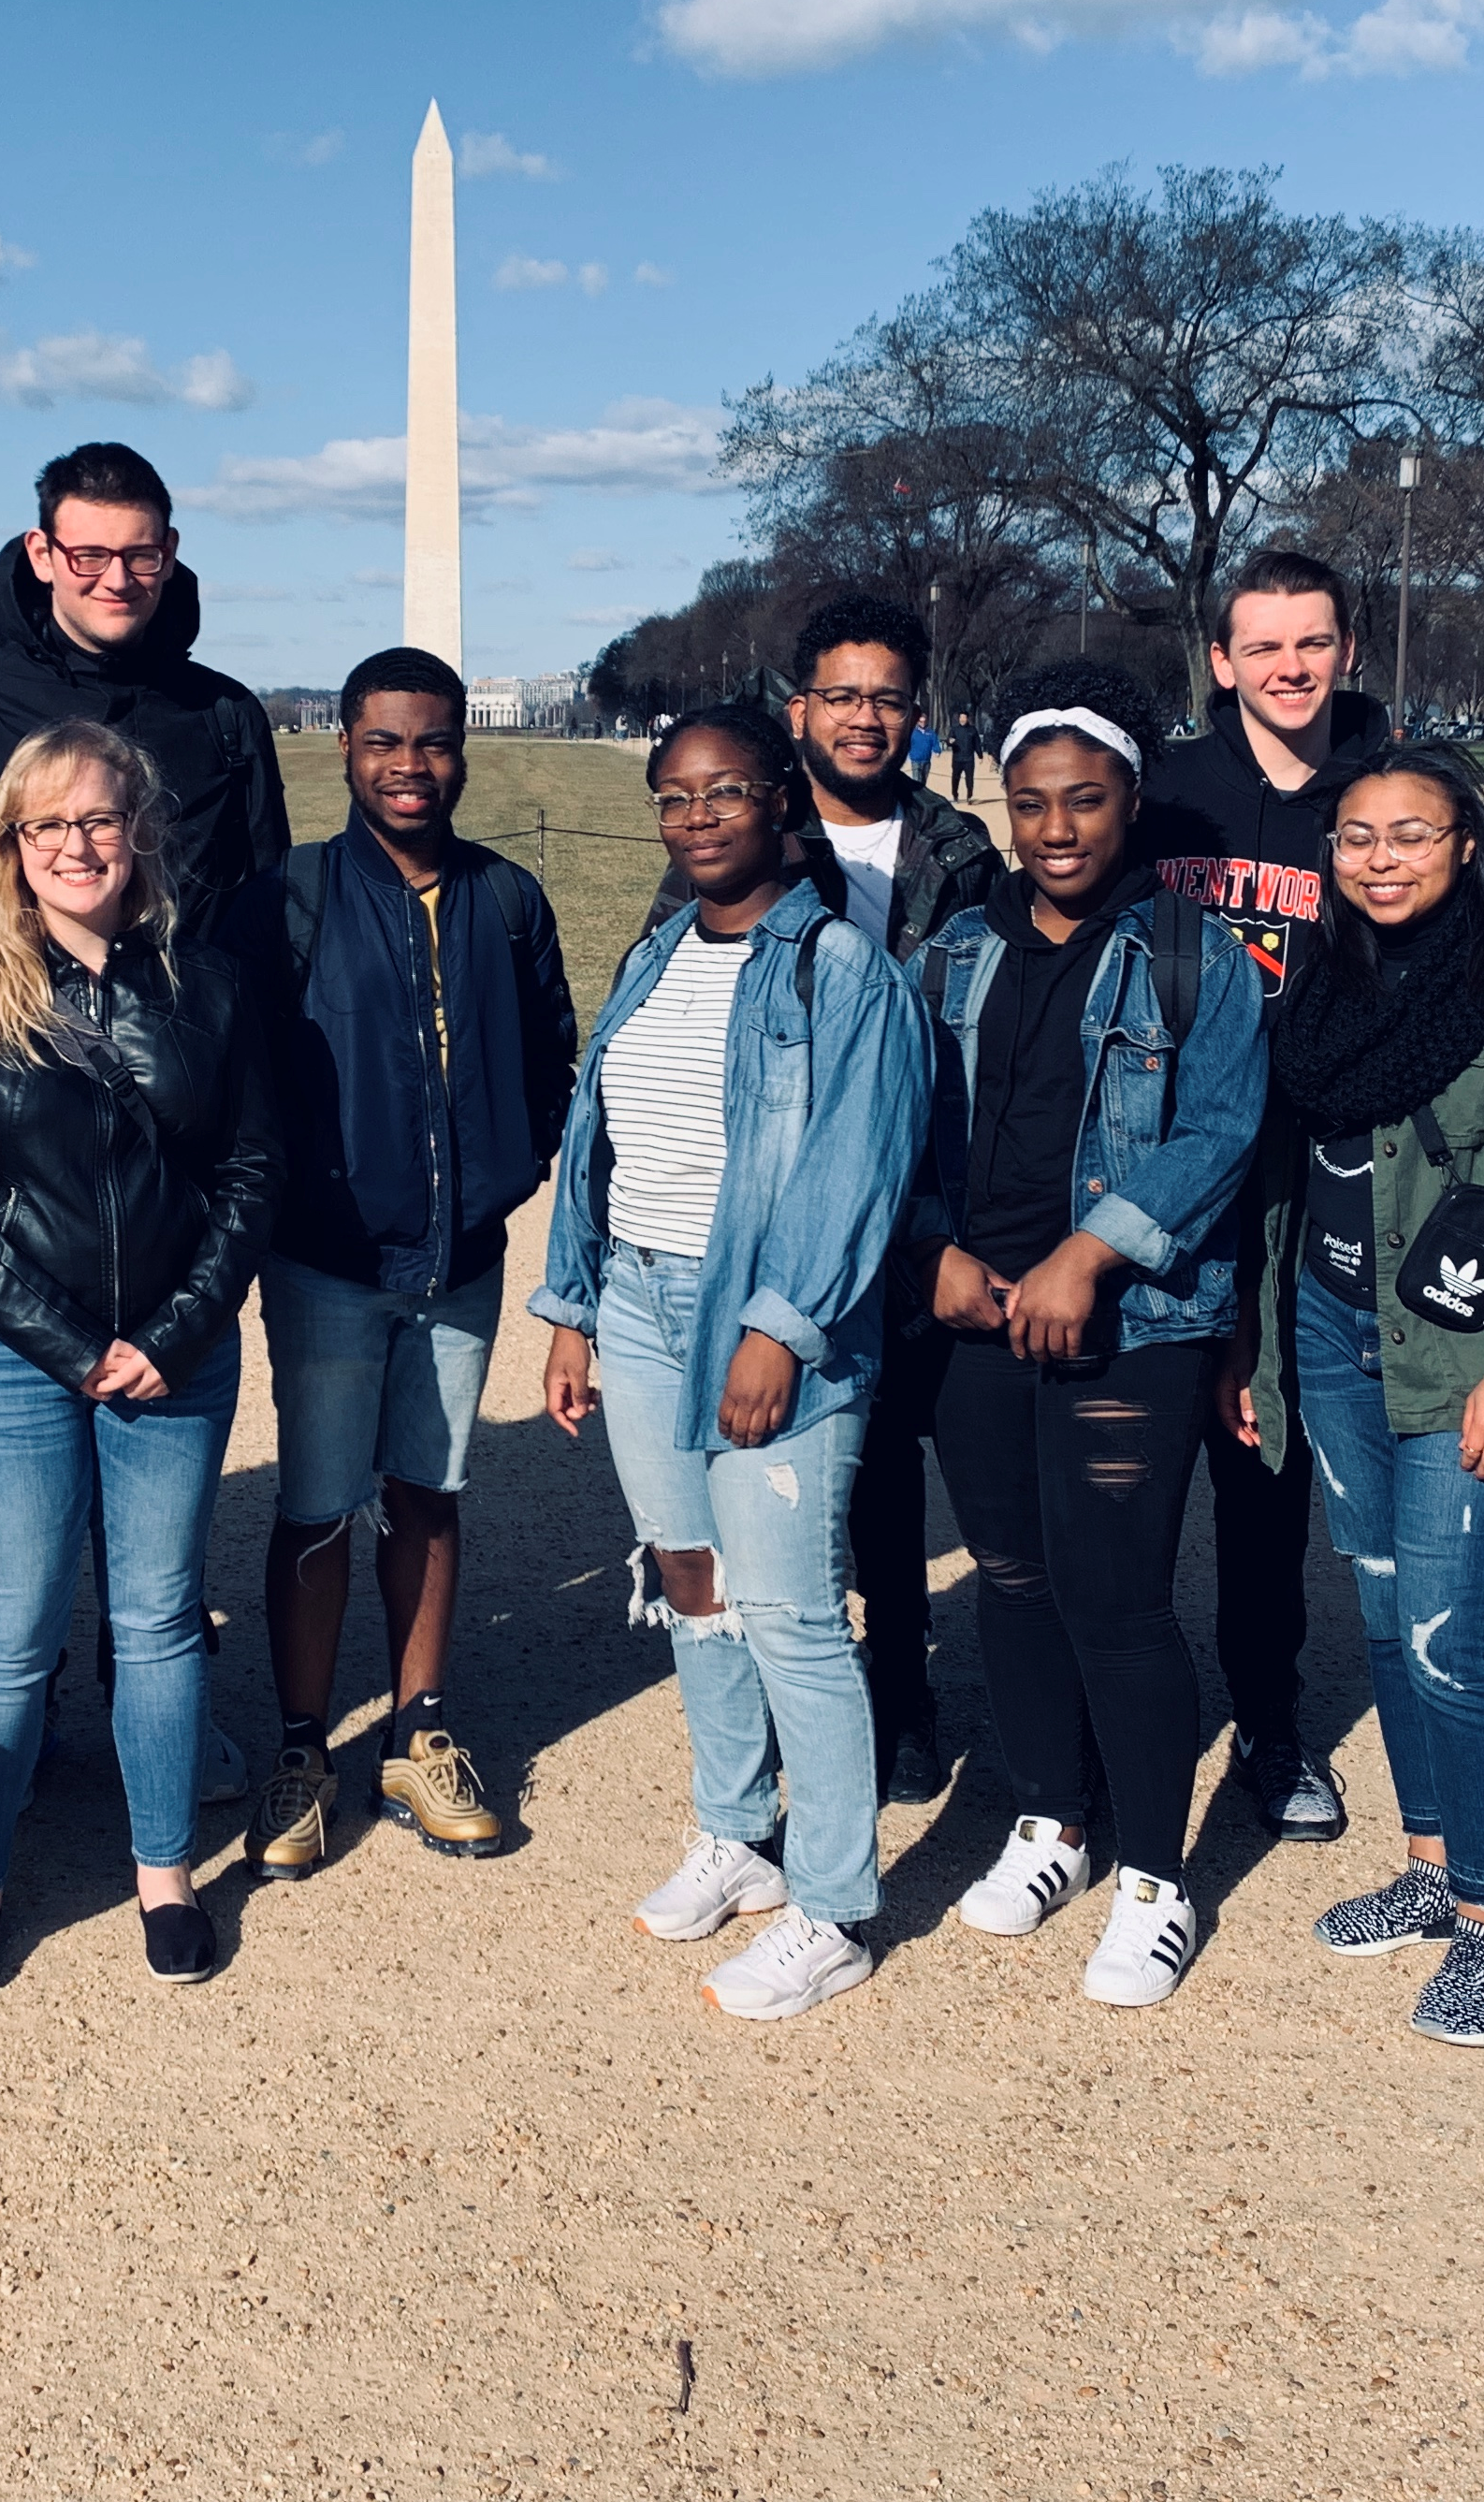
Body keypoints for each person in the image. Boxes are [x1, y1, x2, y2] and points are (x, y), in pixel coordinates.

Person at [1226, 740, 1484, 2049]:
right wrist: (1263, 1345)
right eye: (1355, 836)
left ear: (1470, 841)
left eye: (1410, 833)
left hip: (1478, 1356)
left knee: (1455, 1635)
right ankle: (1431, 1856)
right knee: (1390, 1615)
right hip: (1336, 1330)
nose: (1380, 858)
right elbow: (1284, 1176)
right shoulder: (1320, 984)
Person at [535, 706, 932, 2023]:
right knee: (691, 1585)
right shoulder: (655, 955)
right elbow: (603, 1137)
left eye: (726, 792)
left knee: (793, 1616)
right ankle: (735, 1834)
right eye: (674, 797)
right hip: (641, 1306)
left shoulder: (836, 968)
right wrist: (574, 1306)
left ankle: (833, 1906)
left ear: (782, 803)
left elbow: (858, 1167)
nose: (698, 816)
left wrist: (783, 1327)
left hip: (762, 1314)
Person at [0, 722, 284, 1993]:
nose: (75, 847)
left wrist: (171, 1334)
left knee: (160, 1614)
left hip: (176, 1352)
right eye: (46, 826)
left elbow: (248, 1174)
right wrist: (69, 1347)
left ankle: (163, 1874)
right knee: (8, 1630)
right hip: (16, 1355)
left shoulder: (210, 986)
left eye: (100, 821)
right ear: (11, 845)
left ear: (142, 834)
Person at [901, 667, 1267, 2006]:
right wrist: (931, 1247)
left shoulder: (1190, 950)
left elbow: (1221, 1131)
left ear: (1129, 804)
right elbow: (901, 1121)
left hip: (1133, 1316)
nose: (1056, 828)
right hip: (973, 1312)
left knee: (1114, 1597)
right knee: (1011, 1576)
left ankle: (1159, 1879)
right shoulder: (952, 949)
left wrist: (1089, 1251)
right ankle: (1053, 1817)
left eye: (1086, 801)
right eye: (1032, 802)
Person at [220, 647, 577, 1881]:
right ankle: (304, 1747)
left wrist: (507, 1173)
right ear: (345, 748)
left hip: (463, 1254)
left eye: (431, 742)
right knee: (317, 1504)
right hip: (325, 1260)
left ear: (460, 749)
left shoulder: (508, 898)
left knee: (429, 1492)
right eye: (385, 741)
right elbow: (237, 1082)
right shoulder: (285, 900)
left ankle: (420, 1734)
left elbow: (550, 1059)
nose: (410, 766)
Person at [646, 595, 1001, 1802]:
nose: (864, 719)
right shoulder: (747, 832)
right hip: (764, 1218)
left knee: (889, 1463)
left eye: (888, 699)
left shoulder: (957, 853)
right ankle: (788, 1700)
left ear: (918, 714)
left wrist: (931, 1226)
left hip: (909, 1203)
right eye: (841, 696)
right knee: (770, 1471)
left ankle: (899, 1692)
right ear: (798, 707)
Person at [1140, 550, 1393, 1847]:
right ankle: (1114, 1706)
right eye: (1265, 647)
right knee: (1131, 1459)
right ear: (1223, 660)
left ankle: (1270, 1720)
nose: (1290, 667)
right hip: (1168, 1170)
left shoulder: (1385, 793)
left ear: (1344, 649)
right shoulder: (1167, 798)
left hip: (1309, 1180)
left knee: (1261, 1464)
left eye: (1313, 643)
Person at [0, 440, 287, 930]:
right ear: (42, 555)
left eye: (140, 555)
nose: (117, 579)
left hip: (189, 1005)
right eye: (89, 556)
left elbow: (269, 921)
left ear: (169, 554)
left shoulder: (227, 713)